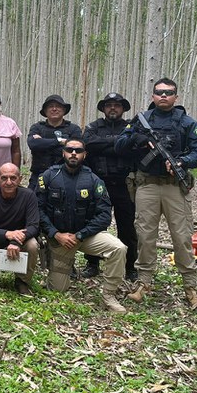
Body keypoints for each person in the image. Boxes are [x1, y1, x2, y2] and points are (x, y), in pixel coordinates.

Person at [115, 78, 197, 309]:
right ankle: (143, 282)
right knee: (145, 235)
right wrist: (139, 138)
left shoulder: (187, 123)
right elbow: (120, 144)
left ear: (176, 97)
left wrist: (183, 161)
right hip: (147, 185)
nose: (164, 96)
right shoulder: (141, 121)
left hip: (175, 186)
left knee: (182, 237)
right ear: (153, 95)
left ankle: (191, 287)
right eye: (159, 92)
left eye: (169, 92)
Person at [36, 140, 128, 312]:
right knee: (58, 289)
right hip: (59, 238)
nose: (73, 153)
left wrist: (80, 235)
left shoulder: (94, 180)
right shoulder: (49, 176)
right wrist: (55, 234)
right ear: (63, 153)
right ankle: (57, 269)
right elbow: (38, 210)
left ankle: (109, 295)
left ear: (84, 155)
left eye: (78, 151)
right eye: (69, 150)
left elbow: (104, 216)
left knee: (118, 248)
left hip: (86, 237)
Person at [81, 92, 138, 281]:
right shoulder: (93, 127)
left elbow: (133, 146)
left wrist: (104, 145)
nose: (112, 108)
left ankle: (129, 266)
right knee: (94, 223)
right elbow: (88, 144)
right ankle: (92, 263)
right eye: (109, 105)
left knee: (127, 227)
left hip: (124, 184)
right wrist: (118, 144)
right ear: (103, 108)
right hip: (98, 184)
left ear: (123, 108)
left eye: (117, 105)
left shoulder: (131, 127)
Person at [0, 163, 40, 296]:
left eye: (13, 178)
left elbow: (34, 226)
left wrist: (15, 242)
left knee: (33, 244)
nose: (9, 182)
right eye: (4, 178)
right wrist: (7, 234)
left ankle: (22, 281)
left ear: (20, 179)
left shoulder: (28, 196)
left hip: (20, 244)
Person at [26, 94, 82, 190]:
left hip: (66, 176)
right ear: (45, 111)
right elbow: (33, 144)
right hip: (39, 175)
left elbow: (75, 148)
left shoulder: (73, 129)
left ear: (64, 110)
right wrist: (61, 141)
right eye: (51, 106)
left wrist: (43, 143)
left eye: (58, 106)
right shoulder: (37, 127)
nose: (54, 109)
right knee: (32, 202)